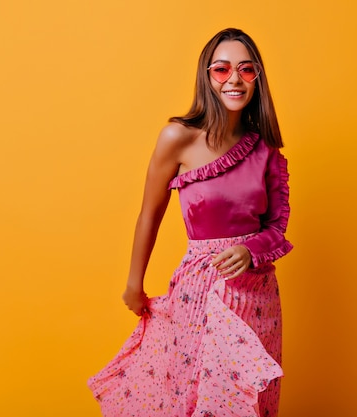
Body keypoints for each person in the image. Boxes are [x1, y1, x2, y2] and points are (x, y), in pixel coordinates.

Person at [88, 28, 293, 417]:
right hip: (199, 289)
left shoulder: (264, 147)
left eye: (246, 70)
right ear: (207, 75)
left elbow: (275, 228)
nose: (234, 79)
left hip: (257, 295)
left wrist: (250, 251)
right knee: (195, 396)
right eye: (222, 69)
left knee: (250, 401)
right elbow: (150, 212)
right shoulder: (176, 137)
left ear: (257, 79)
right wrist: (135, 283)